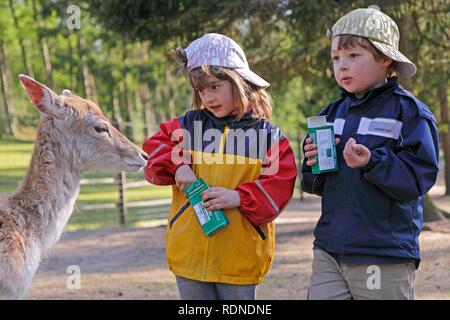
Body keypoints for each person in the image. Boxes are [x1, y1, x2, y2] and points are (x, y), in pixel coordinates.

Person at [143, 33, 297, 300]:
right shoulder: (186, 126)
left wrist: (238, 197)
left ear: (239, 82)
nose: (208, 97)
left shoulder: (268, 136)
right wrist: (177, 165)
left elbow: (280, 185)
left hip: (240, 258)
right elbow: (151, 150)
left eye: (215, 86)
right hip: (188, 255)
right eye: (201, 90)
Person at [301, 6, 439, 300]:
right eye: (336, 58)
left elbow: (419, 177)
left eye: (353, 56)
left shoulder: (410, 113)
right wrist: (312, 160)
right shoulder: (331, 113)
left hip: (383, 254)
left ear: (385, 58)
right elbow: (315, 182)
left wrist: (372, 162)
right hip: (329, 248)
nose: (342, 66)